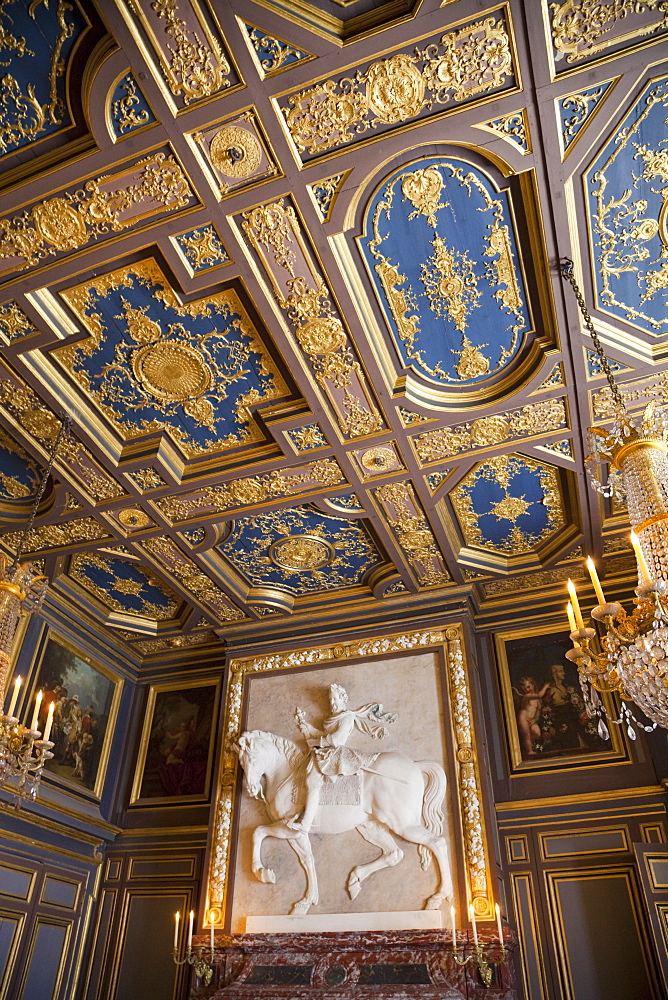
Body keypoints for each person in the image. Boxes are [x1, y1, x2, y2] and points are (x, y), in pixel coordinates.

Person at [287, 683, 397, 833]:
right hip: (325, 753)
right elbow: (324, 735)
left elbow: (336, 739)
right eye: (330, 700)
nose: (332, 703)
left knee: (312, 781)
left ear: (343, 699)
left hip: (336, 754)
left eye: (335, 700)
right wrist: (307, 727)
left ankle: (305, 823)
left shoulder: (347, 718)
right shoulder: (333, 718)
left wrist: (315, 742)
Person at [514, 676, 550, 757]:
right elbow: (540, 695)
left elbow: (536, 709)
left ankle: (531, 747)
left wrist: (544, 710)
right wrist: (546, 687)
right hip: (523, 717)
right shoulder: (527, 696)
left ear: (533, 685)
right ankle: (530, 751)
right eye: (524, 689)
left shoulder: (536, 699)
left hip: (532, 720)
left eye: (528, 687)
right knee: (526, 735)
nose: (527, 690)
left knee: (537, 733)